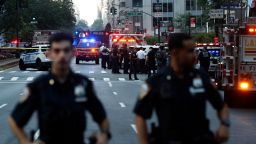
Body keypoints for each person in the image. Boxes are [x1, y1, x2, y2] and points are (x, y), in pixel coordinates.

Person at [8, 33, 111, 144]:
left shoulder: (83, 84)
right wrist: (25, 141)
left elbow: (102, 117)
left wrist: (104, 135)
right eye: (57, 51)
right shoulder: (39, 85)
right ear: (49, 54)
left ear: (73, 52)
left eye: (66, 50)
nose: (62, 55)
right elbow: (14, 120)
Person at [134, 33, 230, 144]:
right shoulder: (154, 81)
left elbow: (222, 107)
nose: (194, 55)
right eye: (189, 51)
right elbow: (140, 115)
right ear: (175, 52)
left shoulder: (201, 77)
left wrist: (225, 125)